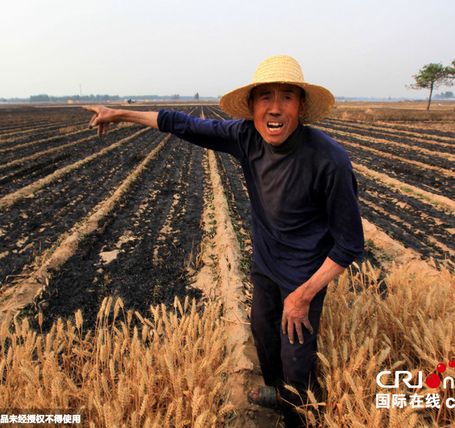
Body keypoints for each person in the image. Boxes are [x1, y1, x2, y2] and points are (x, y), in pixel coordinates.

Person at [84, 55, 364, 427]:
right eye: (265, 97)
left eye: (286, 97)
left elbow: (349, 244)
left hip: (304, 277)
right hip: (265, 266)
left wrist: (303, 295)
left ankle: (299, 413)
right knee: (265, 342)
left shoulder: (329, 161)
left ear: (300, 107)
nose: (275, 108)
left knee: (297, 360)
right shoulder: (246, 136)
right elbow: (183, 124)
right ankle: (278, 392)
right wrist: (118, 113)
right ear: (252, 107)